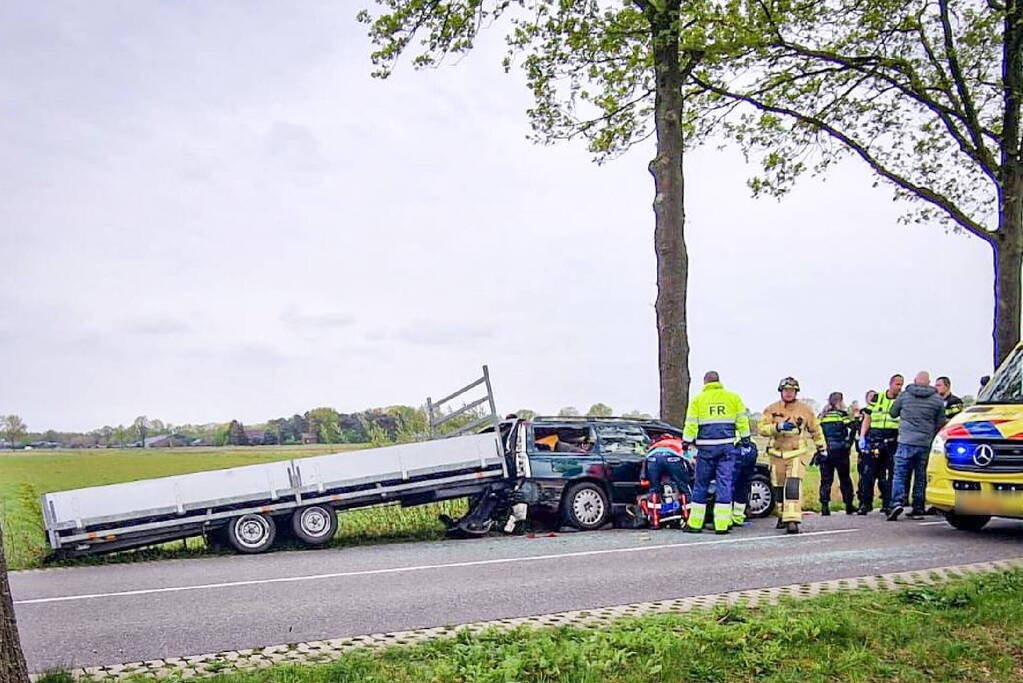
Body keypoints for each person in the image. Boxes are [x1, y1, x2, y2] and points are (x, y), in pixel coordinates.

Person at [682, 371, 751, 534]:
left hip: (705, 448)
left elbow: (691, 423)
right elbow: (742, 420)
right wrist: (745, 438)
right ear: (719, 381)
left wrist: (686, 441)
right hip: (727, 447)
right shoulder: (733, 398)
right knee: (724, 484)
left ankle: (695, 524)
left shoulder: (698, 400)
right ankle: (722, 524)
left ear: (705, 382)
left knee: (701, 484)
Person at [758, 377, 827, 534]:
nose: (789, 393)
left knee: (792, 485)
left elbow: (815, 430)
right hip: (776, 454)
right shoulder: (771, 409)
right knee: (778, 488)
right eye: (786, 390)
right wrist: (778, 426)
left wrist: (822, 448)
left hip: (796, 453)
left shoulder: (805, 410)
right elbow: (762, 428)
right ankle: (783, 515)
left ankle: (793, 520)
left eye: (792, 391)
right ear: (781, 391)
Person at [888, 371, 946, 520]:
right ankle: (918, 508)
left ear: (914, 380)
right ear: (929, 382)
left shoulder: (905, 395)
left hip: (905, 440)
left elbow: (893, 413)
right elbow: (940, 423)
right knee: (921, 476)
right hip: (925, 443)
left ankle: (896, 503)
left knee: (899, 474)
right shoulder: (937, 400)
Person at [857, 376, 903, 515]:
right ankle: (865, 504)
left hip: (892, 441)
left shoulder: (901, 400)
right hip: (874, 439)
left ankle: (888, 504)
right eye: (897, 384)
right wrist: (863, 436)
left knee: (889, 475)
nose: (899, 387)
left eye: (901, 384)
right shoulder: (878, 398)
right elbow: (867, 417)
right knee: (868, 474)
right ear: (890, 384)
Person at [817, 392, 857, 515]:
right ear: (840, 401)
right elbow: (853, 428)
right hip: (840, 451)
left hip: (825, 451)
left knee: (826, 480)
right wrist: (848, 444)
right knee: (844, 478)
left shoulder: (822, 416)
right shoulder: (842, 415)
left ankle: (824, 506)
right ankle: (849, 505)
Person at [644, 434, 691, 501]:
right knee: (683, 487)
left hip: (653, 458)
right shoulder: (679, 442)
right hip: (672, 457)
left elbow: (646, 458)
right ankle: (687, 506)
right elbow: (687, 459)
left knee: (654, 489)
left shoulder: (656, 444)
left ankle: (653, 507)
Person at [730, 438, 759, 526]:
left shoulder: (731, 437)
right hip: (743, 472)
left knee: (729, 491)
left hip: (735, 470)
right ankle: (738, 517)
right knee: (741, 491)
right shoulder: (750, 441)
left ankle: (730, 518)